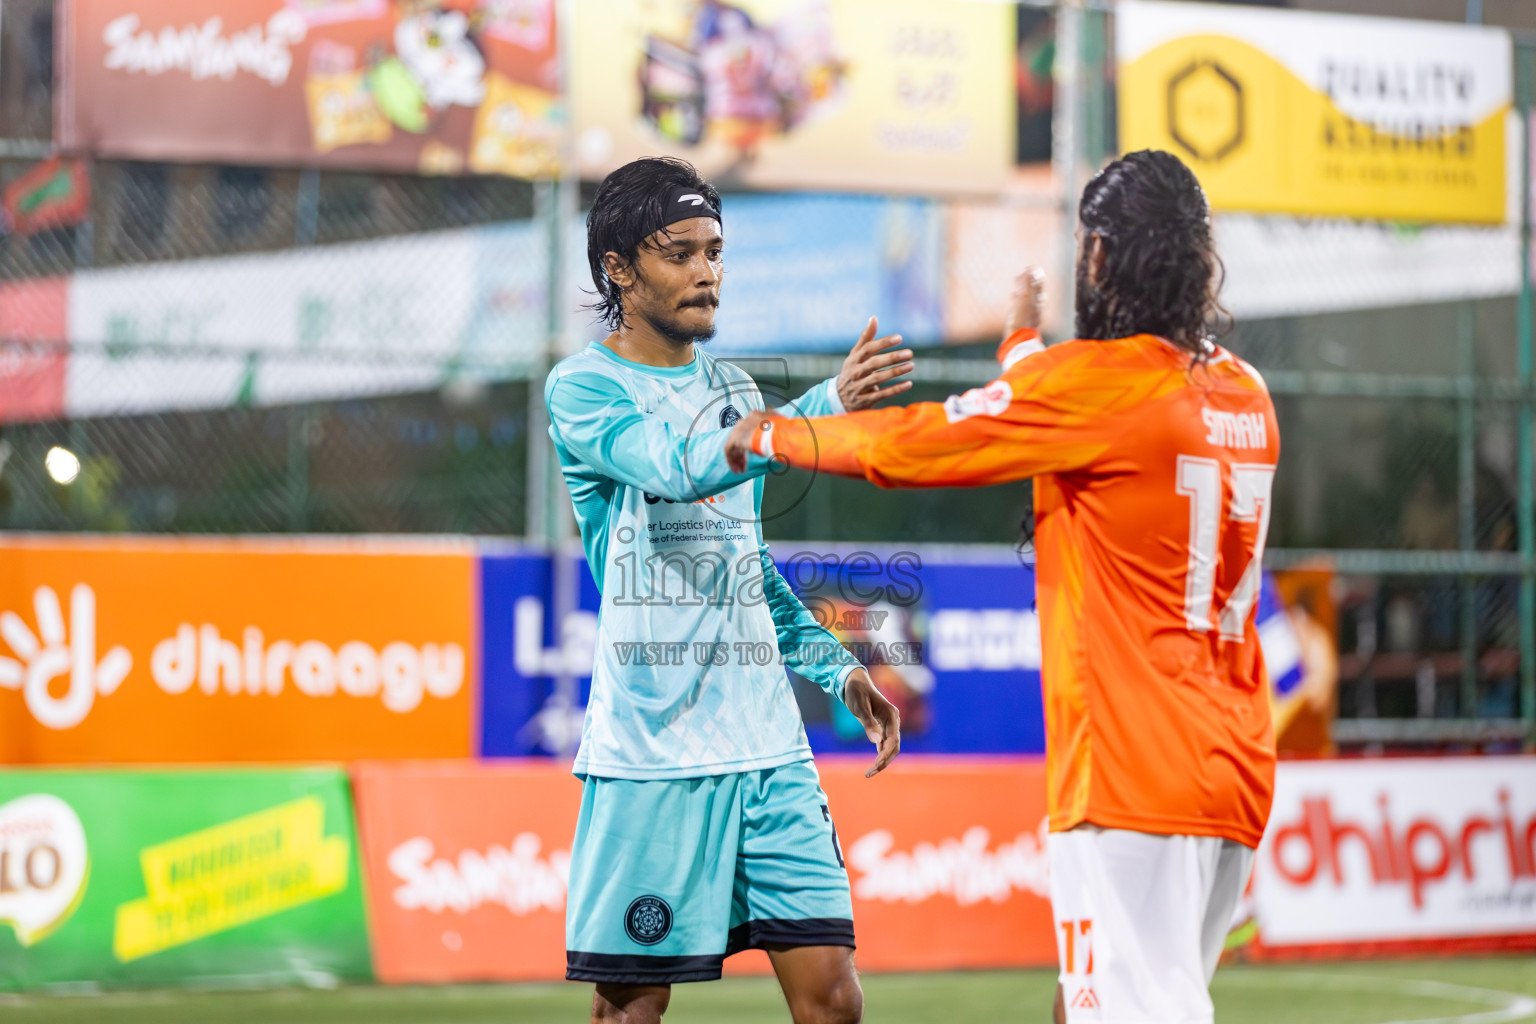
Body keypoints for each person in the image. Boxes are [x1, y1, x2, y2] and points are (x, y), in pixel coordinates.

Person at [726, 149, 1280, 1024]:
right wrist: (1022, 338)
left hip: (1131, 776)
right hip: (1235, 773)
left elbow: (921, 444)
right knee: (1118, 1002)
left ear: (1099, 258)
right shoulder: (1243, 391)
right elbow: (1058, 407)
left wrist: (773, 436)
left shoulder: (1098, 390)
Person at [547, 156, 905, 1024]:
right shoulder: (585, 388)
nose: (706, 272)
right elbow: (672, 466)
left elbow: (747, 576)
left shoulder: (736, 391)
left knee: (834, 1003)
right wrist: (800, 415)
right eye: (681, 253)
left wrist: (841, 671)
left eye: (715, 251)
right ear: (619, 270)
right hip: (655, 760)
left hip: (770, 754)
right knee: (631, 1009)